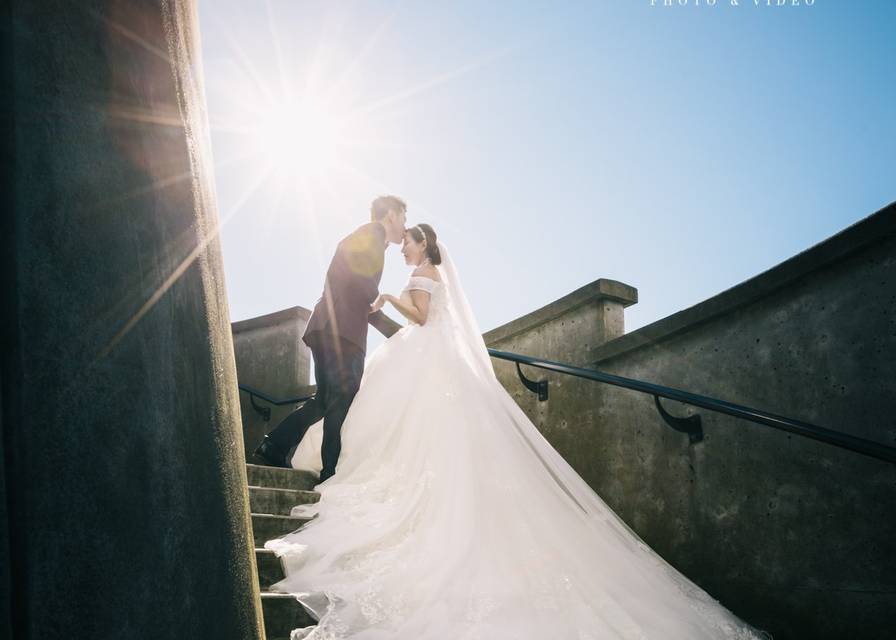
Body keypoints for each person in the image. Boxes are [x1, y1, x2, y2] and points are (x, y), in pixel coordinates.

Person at [267, 226, 773, 640]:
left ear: (423, 244)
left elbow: (421, 318)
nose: (403, 249)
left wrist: (392, 298)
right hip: (436, 364)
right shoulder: (435, 271)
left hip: (425, 358)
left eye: (408, 243)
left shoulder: (422, 275)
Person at [251, 195, 406, 483]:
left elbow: (353, 287)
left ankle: (273, 446)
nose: (404, 226)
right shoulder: (372, 233)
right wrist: (392, 324)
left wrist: (387, 323)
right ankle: (330, 472)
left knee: (323, 401)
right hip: (342, 332)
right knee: (342, 397)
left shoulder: (364, 236)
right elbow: (362, 286)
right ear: (392, 215)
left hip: (327, 327)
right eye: (404, 218)